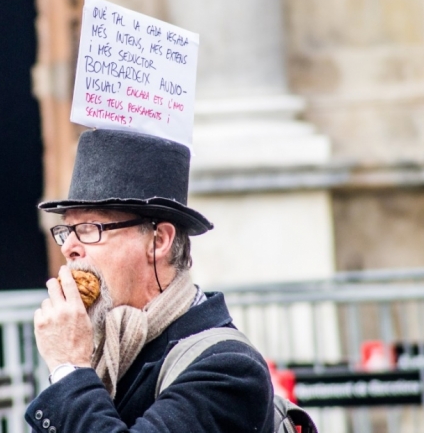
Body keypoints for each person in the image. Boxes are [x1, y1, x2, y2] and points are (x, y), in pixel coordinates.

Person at [25, 129, 274, 432]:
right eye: (67, 230)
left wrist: (70, 368)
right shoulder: (107, 350)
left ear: (158, 240)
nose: (68, 247)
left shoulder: (227, 369)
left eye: (90, 228)